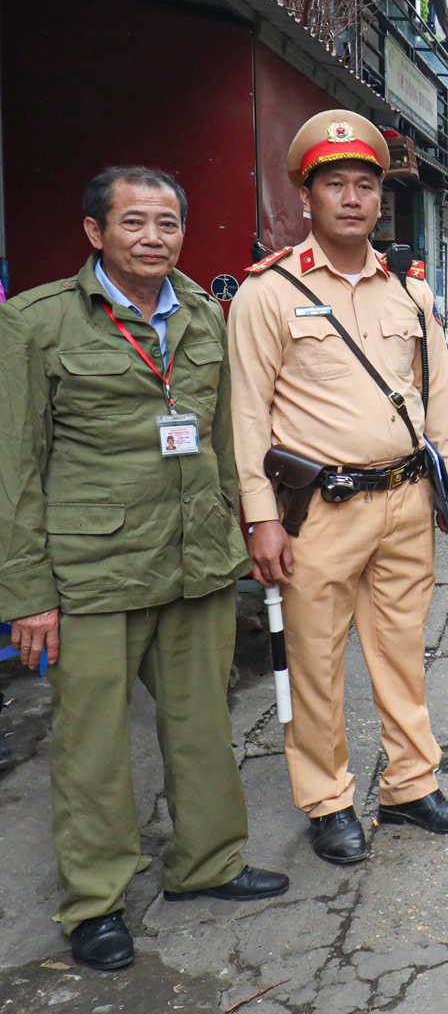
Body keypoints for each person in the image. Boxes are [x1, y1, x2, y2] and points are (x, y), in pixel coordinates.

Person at [0, 167, 288, 971]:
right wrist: (28, 594)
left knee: (202, 727)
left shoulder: (200, 313)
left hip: (195, 563)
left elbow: (224, 436)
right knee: (91, 747)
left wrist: (249, 527)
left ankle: (208, 864)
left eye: (168, 223)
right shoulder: (36, 323)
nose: (153, 238)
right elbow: (13, 468)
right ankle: (95, 903)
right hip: (91, 572)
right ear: (95, 232)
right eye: (133, 222)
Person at [228, 111, 448, 867]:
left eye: (364, 185)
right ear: (306, 197)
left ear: (380, 200)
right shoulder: (269, 292)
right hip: (319, 511)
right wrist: (260, 517)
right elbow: (247, 414)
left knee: (403, 651)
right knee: (315, 660)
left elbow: (437, 393)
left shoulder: (408, 292)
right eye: (334, 184)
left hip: (405, 500)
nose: (351, 198)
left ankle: (411, 785)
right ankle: (329, 800)